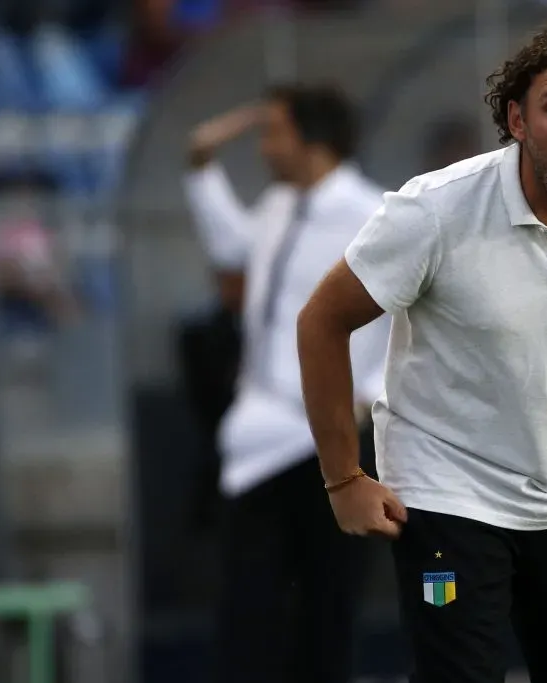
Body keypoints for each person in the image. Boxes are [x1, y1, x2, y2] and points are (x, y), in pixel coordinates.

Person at [296, 16, 547, 683]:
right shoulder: (435, 210)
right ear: (515, 119)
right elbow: (321, 321)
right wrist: (343, 477)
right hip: (449, 502)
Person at [183, 84, 390, 683]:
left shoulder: (373, 214)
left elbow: (410, 312)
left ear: (312, 140)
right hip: (260, 431)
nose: (266, 147)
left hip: (330, 433)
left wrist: (370, 392)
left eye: (274, 132)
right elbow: (232, 245)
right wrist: (200, 162)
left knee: (327, 603)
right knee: (250, 607)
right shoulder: (277, 206)